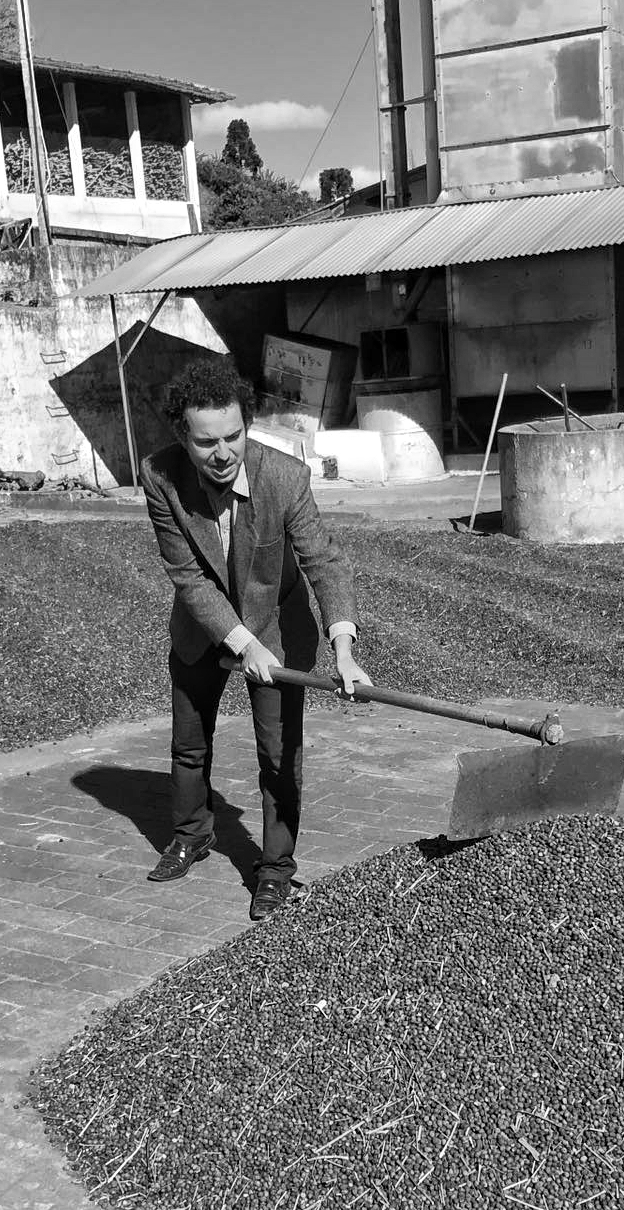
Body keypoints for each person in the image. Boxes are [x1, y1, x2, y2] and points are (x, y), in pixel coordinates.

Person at [139, 355, 371, 921]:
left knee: (278, 753)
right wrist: (242, 643)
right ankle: (192, 835)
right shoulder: (159, 475)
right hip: (203, 627)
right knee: (189, 745)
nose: (222, 454)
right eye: (206, 442)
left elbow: (323, 560)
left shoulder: (285, 477)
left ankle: (275, 869)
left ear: (247, 425)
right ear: (183, 436)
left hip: (276, 626)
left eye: (233, 437)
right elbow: (190, 576)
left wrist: (342, 645)